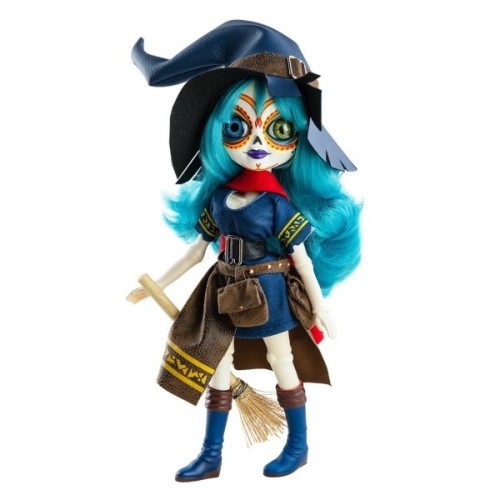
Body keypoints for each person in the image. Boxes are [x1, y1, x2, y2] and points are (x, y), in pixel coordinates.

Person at [128, 21, 361, 482]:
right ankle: (211, 454)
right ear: (216, 131)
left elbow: (301, 259)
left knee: (281, 360)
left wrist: (319, 306)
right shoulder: (219, 199)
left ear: (300, 139)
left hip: (269, 290)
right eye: (237, 127)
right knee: (216, 365)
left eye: (278, 129)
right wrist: (157, 283)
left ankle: (298, 445)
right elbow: (196, 253)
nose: (257, 143)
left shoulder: (278, 206)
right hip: (222, 288)